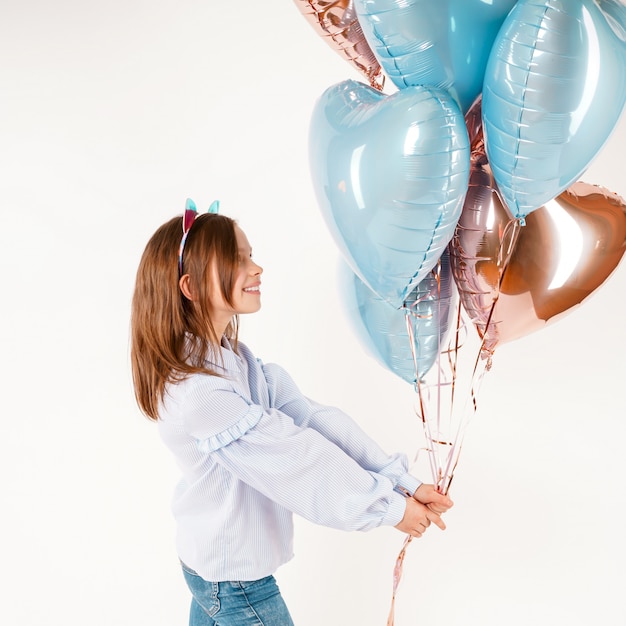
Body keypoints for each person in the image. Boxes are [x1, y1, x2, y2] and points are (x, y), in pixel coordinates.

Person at [130, 199, 453, 626]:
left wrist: (401, 485)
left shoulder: (237, 363)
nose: (257, 268)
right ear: (189, 288)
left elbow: (314, 421)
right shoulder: (201, 392)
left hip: (218, 577)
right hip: (237, 588)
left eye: (250, 255)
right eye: (237, 260)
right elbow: (298, 459)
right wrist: (388, 509)